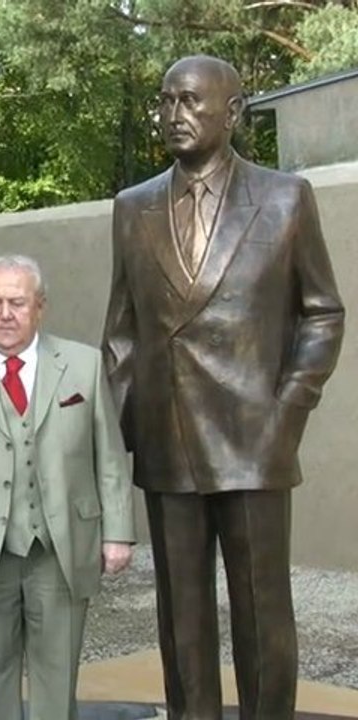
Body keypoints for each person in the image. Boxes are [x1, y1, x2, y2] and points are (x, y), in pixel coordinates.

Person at [103, 55, 345, 720]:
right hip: (168, 442)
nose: (174, 114)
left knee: (262, 615)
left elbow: (323, 313)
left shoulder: (285, 197)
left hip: (254, 441)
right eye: (165, 100)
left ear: (233, 112)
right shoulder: (133, 206)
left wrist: (286, 412)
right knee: (181, 620)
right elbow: (120, 331)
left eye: (190, 101)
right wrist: (128, 432)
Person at [0, 255, 134, 720]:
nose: (4, 314)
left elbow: (109, 457)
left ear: (40, 307)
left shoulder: (83, 365)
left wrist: (117, 533)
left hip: (60, 547)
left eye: (17, 302)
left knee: (58, 673)